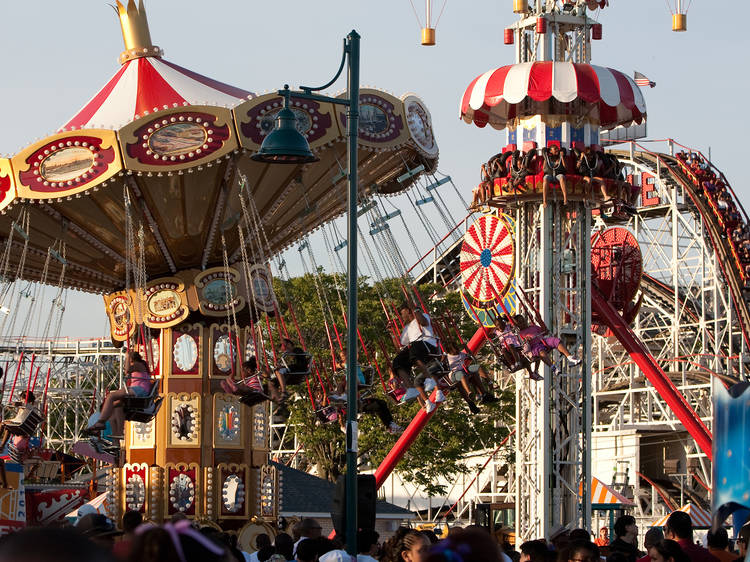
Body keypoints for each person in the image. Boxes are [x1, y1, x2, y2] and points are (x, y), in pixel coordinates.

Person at [391, 303, 445, 413]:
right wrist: (392, 333)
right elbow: (400, 346)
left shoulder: (423, 315)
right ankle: (410, 388)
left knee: (415, 347)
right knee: (397, 361)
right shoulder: (407, 328)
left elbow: (423, 322)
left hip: (428, 345)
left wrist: (414, 308)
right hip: (415, 348)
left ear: (408, 310)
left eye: (403, 313)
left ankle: (429, 378)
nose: (402, 317)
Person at [86, 351, 154, 433]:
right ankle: (117, 436)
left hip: (140, 389)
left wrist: (127, 356)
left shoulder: (139, 364)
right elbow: (127, 371)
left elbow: (127, 370)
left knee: (111, 396)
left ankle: (101, 422)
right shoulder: (138, 366)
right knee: (115, 406)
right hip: (137, 389)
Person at [515, 315, 581, 379]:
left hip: (542, 341)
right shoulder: (520, 334)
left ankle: (570, 357)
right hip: (533, 347)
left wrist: (540, 321)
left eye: (523, 321)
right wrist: (526, 340)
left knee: (555, 340)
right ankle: (553, 367)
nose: (523, 323)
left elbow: (545, 331)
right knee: (541, 352)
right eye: (520, 322)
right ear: (517, 325)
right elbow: (522, 346)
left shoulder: (533, 327)